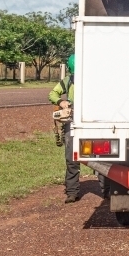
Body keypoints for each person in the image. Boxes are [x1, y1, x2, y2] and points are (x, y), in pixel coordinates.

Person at [49, 54, 79, 204]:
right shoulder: (68, 81)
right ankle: (72, 192)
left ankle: (106, 191)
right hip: (72, 122)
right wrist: (61, 102)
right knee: (71, 157)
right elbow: (53, 93)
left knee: (100, 159)